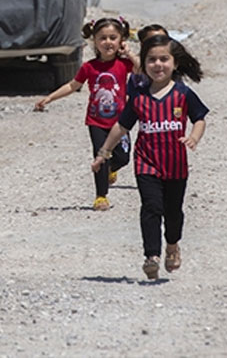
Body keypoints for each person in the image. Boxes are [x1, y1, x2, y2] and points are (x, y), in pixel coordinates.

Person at [92, 35, 208, 280]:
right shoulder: (139, 98)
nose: (158, 64)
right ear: (143, 65)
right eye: (151, 60)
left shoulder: (183, 94)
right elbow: (121, 128)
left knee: (173, 211)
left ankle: (173, 245)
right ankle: (151, 256)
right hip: (147, 163)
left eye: (164, 59)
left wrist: (194, 138)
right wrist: (103, 153)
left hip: (176, 165)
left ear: (175, 63)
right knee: (151, 207)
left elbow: (199, 118)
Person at [34, 17, 136, 210]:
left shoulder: (125, 64)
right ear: (94, 41)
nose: (108, 42)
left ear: (121, 40)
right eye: (102, 38)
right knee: (100, 156)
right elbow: (72, 85)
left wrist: (129, 53)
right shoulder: (89, 67)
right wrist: (50, 98)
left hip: (120, 123)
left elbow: (142, 70)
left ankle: (111, 169)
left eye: (113, 37)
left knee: (123, 157)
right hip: (96, 122)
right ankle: (101, 196)